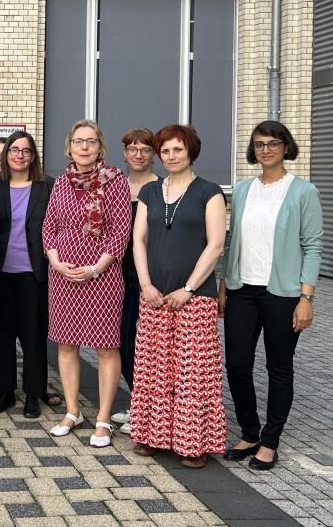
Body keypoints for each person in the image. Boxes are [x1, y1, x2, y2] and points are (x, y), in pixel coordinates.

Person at [221, 120, 322, 471]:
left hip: (283, 293)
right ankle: (249, 431)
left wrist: (306, 296)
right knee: (236, 363)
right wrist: (224, 280)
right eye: (259, 144)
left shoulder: (302, 191)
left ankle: (270, 440)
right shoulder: (244, 189)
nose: (266, 149)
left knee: (278, 367)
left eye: (273, 143)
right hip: (241, 290)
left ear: (285, 147)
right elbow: (233, 240)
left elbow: (312, 246)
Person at [129, 124, 227, 468]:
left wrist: (187, 289)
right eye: (165, 151)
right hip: (154, 296)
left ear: (191, 152)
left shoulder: (209, 192)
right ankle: (151, 435)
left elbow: (216, 245)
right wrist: (145, 284)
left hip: (194, 298)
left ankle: (192, 444)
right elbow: (138, 240)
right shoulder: (151, 192)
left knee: (192, 373)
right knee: (154, 370)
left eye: (177, 150)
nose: (170, 156)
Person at [43, 120, 130, 448]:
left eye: (90, 142)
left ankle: (104, 420)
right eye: (78, 141)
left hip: (103, 277)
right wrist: (54, 260)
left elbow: (121, 230)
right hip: (63, 275)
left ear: (99, 148)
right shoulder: (62, 182)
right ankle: (72, 411)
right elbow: (49, 226)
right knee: (66, 345)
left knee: (106, 347)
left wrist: (95, 268)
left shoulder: (115, 181)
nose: (84, 147)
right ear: (69, 147)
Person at [0, 133, 59, 418]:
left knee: (33, 336)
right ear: (6, 155)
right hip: (0, 272)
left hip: (35, 273)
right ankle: (4, 391)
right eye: (14, 150)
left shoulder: (48, 187)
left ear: (33, 155)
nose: (19, 155)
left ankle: (33, 393)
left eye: (25, 150)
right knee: (0, 336)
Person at [110, 128, 160, 435]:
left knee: (149, 344)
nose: (138, 155)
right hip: (117, 275)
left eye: (144, 150)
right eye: (132, 149)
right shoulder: (118, 186)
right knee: (123, 342)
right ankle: (139, 404)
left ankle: (148, 409)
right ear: (125, 152)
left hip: (151, 276)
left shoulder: (161, 188)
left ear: (153, 154)